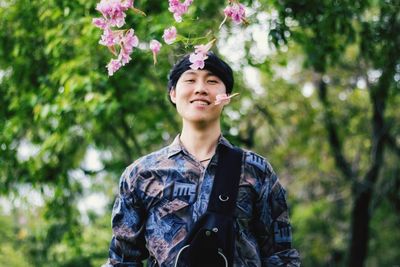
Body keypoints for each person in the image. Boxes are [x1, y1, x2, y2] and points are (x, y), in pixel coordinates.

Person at [104, 52, 300, 267]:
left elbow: (281, 257)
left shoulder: (256, 170)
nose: (200, 88)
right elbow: (122, 260)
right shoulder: (141, 174)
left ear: (227, 96)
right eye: (190, 80)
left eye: (212, 81)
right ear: (173, 94)